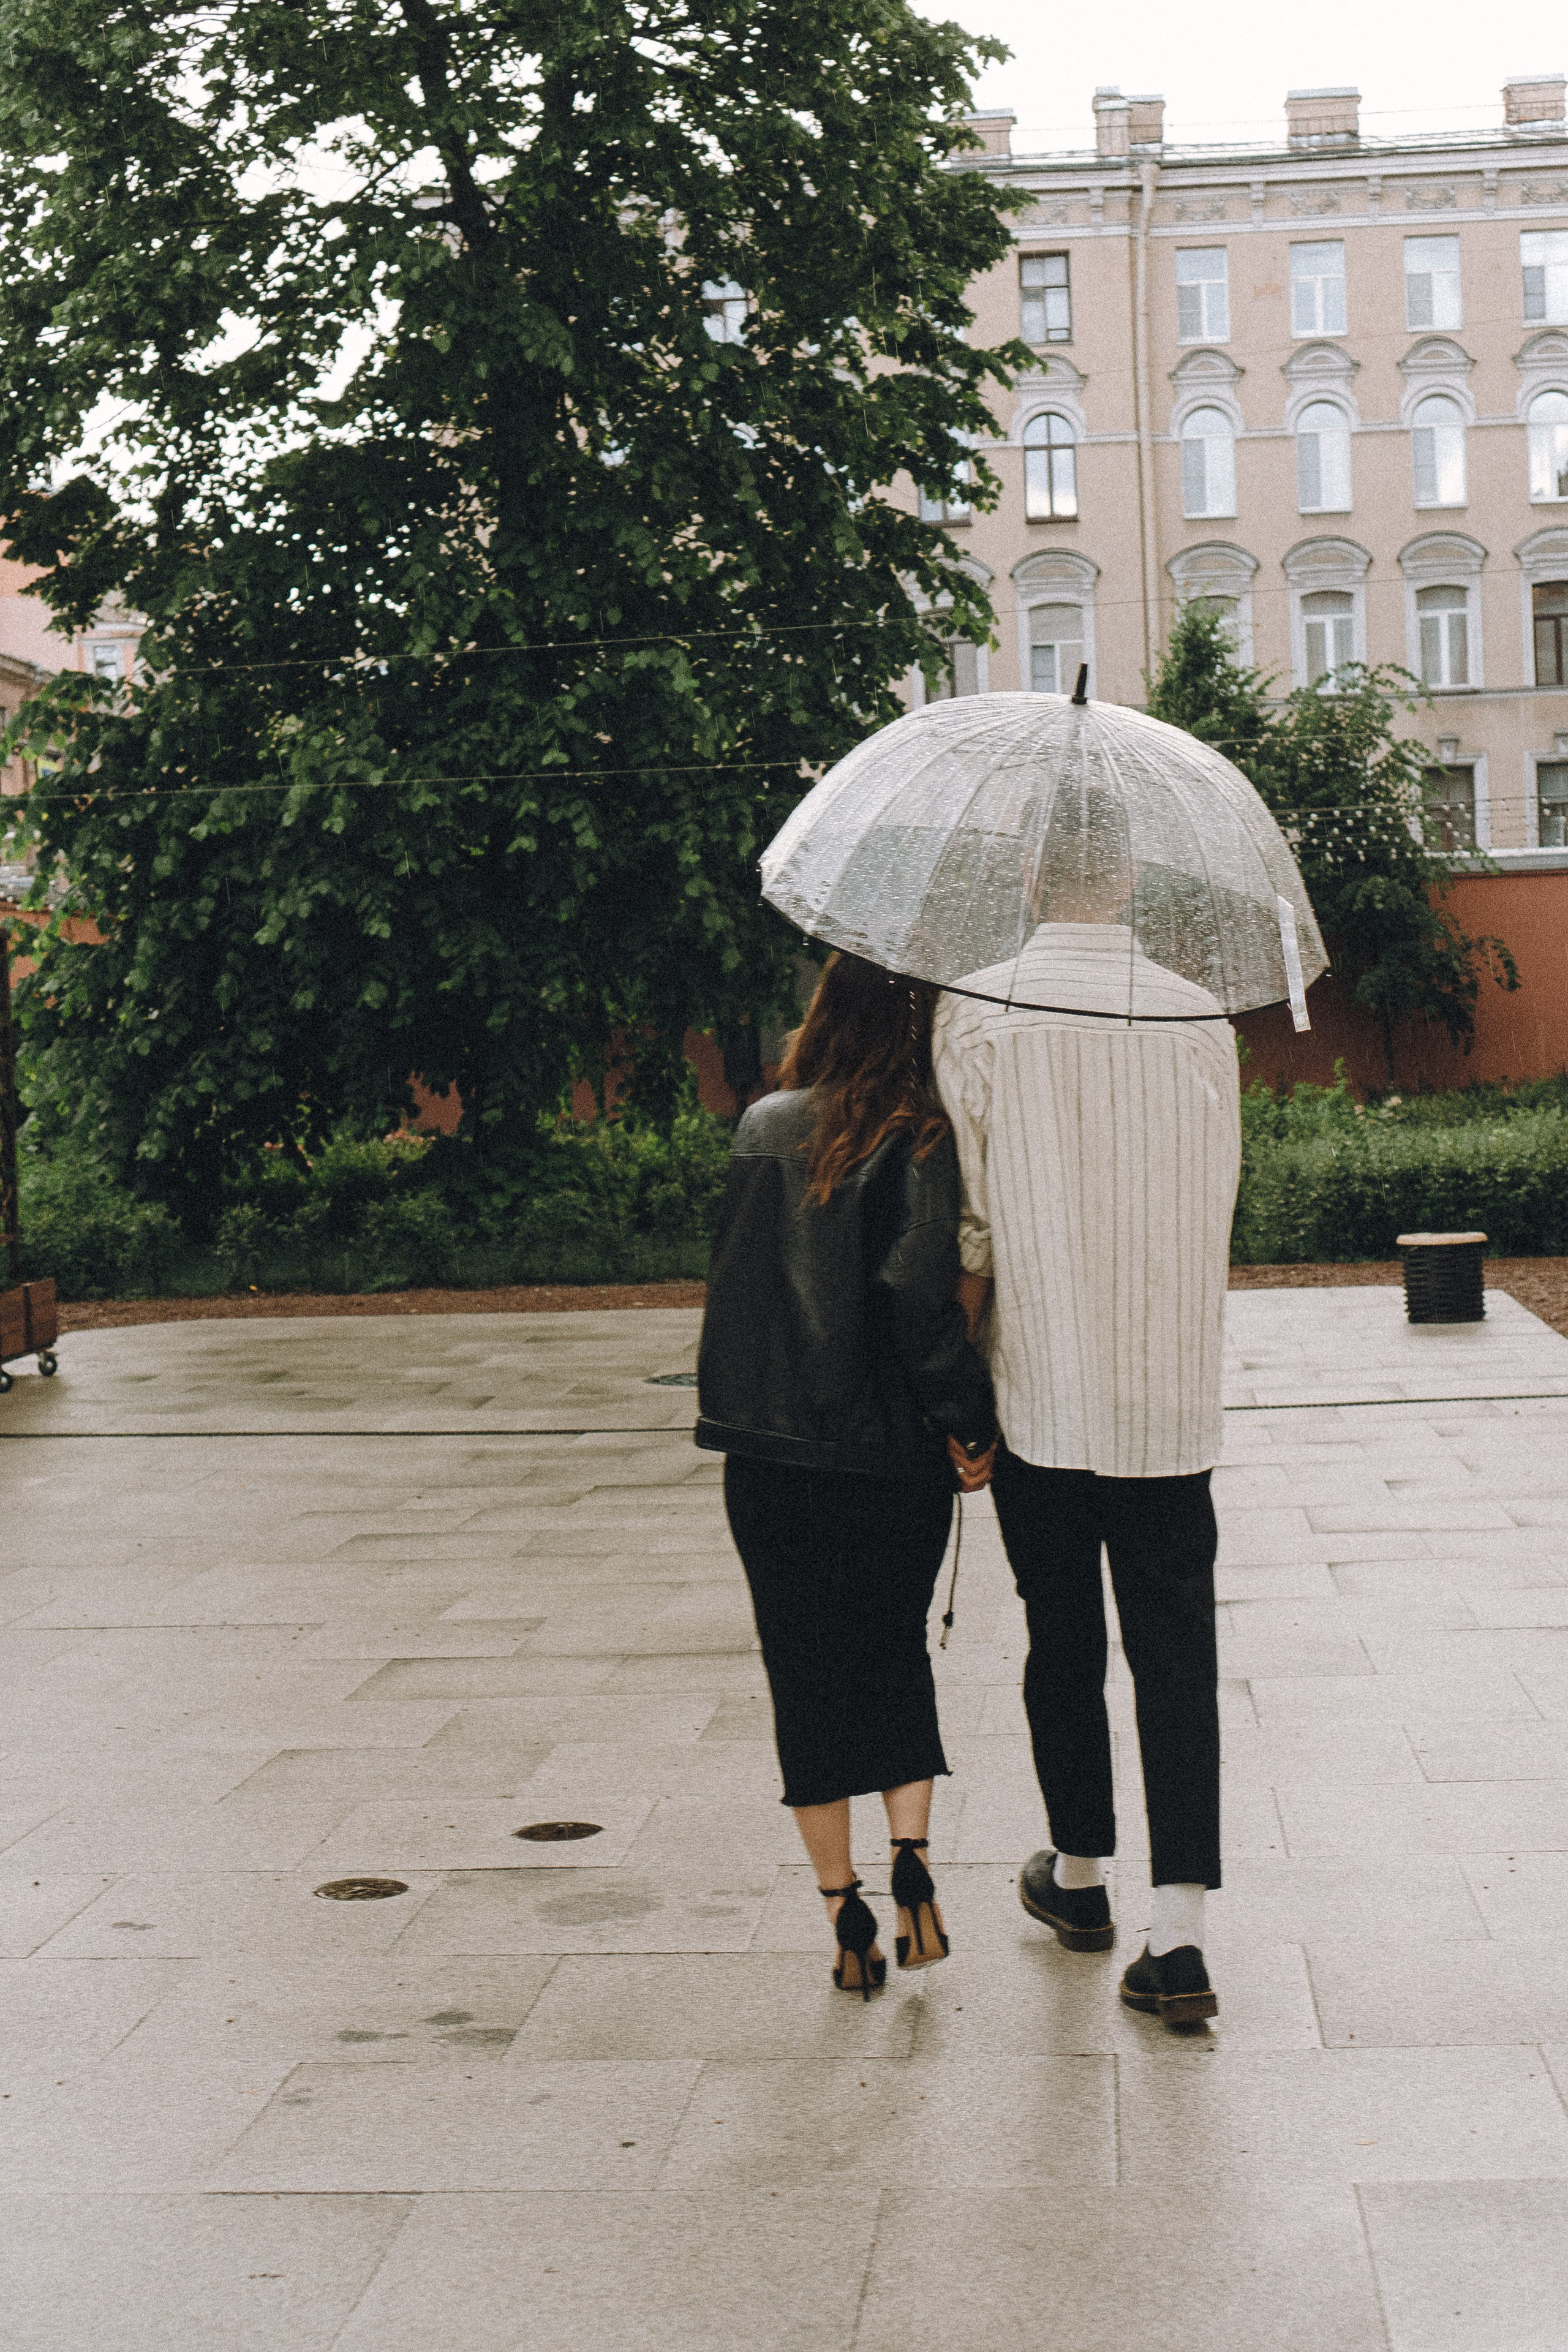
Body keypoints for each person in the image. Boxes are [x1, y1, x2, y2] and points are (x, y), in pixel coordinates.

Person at [932, 846, 1242, 2032]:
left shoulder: (983, 1008)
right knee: (1178, 1657)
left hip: (1041, 1389)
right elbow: (1217, 1188)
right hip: (1168, 1391)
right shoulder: (1199, 1013)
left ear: (1028, 879)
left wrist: (959, 1389)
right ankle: (1184, 1936)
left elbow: (971, 1222)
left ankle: (1078, 1877)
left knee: (1061, 1635)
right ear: (1129, 880)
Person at [696, 952, 998, 1998]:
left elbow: (735, 1291)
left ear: (822, 1017)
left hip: (769, 1458)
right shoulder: (920, 1137)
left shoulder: (760, 1127)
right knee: (891, 1651)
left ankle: (845, 1914)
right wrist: (968, 1422)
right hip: (887, 1458)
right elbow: (920, 1300)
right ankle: (913, 1859)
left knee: (803, 1669)